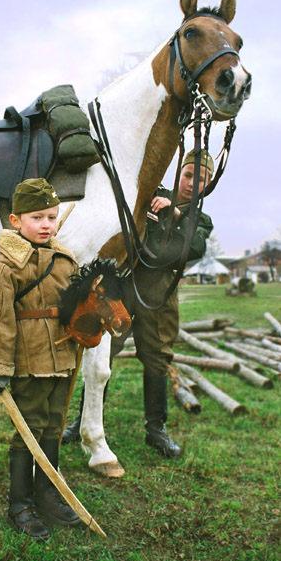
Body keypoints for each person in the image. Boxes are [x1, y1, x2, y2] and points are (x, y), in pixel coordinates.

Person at [62, 149, 214, 459]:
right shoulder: (153, 193)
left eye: (200, 179)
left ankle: (156, 430)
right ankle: (83, 421)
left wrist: (176, 215)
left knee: (157, 358)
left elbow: (191, 248)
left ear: (208, 184)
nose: (191, 183)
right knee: (103, 353)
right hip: (125, 285)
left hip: (160, 293)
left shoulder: (201, 219)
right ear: (178, 174)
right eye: (187, 175)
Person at [0, 178, 80, 541]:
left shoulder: (65, 261)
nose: (47, 224)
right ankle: (20, 503)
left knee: (53, 426)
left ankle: (47, 494)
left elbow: (75, 306)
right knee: (29, 430)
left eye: (52, 216)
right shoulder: (7, 268)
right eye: (38, 217)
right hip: (29, 362)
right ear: (16, 221)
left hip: (63, 358)